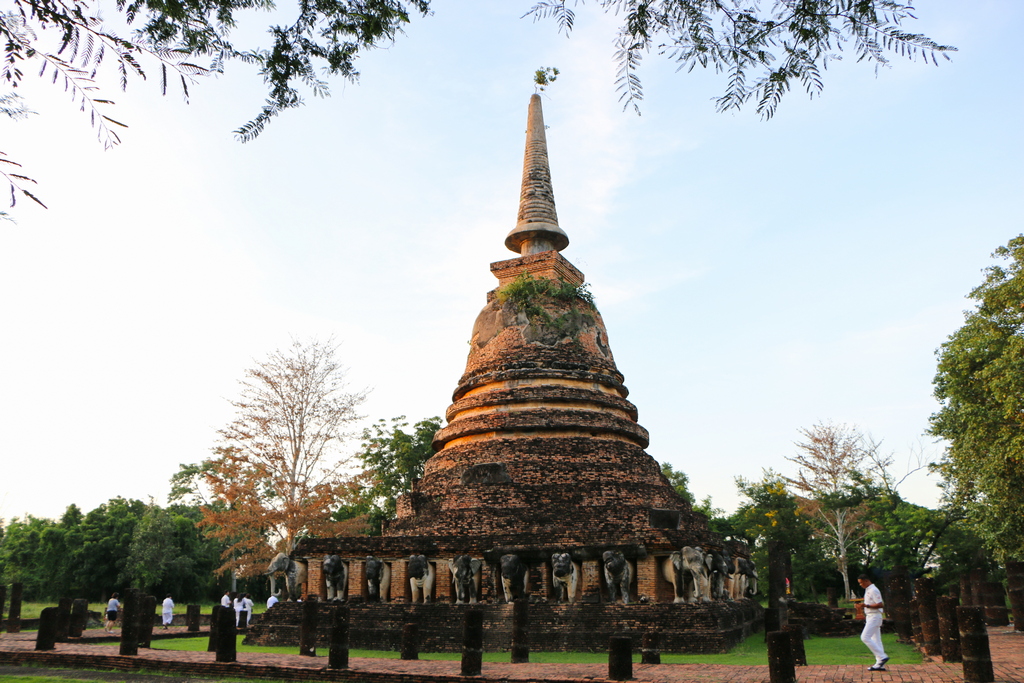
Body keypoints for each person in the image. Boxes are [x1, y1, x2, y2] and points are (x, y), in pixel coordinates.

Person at [858, 574, 889, 671]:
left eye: (861, 582)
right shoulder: (868, 590)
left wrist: (867, 606)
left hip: (874, 616)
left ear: (866, 581)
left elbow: (880, 604)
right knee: (876, 640)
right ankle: (880, 664)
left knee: (865, 637)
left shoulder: (874, 590)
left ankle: (882, 656)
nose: (860, 585)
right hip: (870, 616)